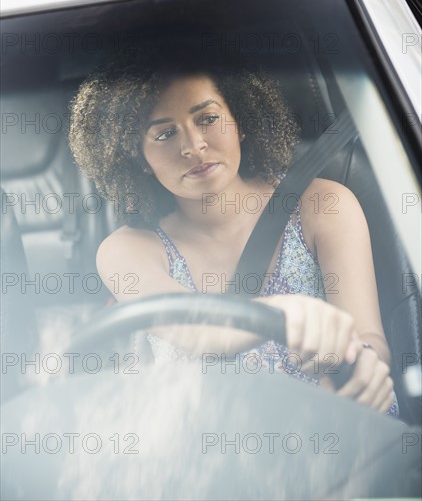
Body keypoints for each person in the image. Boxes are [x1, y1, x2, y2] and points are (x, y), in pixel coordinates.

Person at [69, 54, 398, 416]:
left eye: (208, 119)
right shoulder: (126, 251)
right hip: (208, 458)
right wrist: (286, 312)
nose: (193, 146)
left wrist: (364, 365)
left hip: (335, 440)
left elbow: (369, 337)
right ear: (138, 159)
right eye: (165, 133)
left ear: (239, 119)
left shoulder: (324, 205)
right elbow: (197, 332)